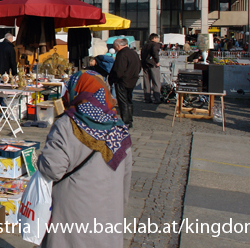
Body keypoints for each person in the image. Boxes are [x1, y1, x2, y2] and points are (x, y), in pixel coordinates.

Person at [37, 90, 132, 248]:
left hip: (73, 215)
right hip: (108, 216)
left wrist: (39, 159)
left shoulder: (67, 124)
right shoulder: (119, 128)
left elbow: (52, 169)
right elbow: (126, 177)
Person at [108, 38, 141, 128]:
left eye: (115, 47)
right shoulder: (134, 53)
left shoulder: (122, 54)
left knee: (123, 102)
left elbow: (119, 70)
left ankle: (126, 121)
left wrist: (114, 79)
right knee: (129, 100)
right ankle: (129, 120)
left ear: (118, 45)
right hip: (132, 80)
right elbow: (139, 67)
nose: (115, 50)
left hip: (122, 81)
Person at [141, 33, 162, 104]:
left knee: (146, 81)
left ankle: (147, 98)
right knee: (156, 81)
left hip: (145, 64)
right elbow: (155, 52)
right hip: (152, 64)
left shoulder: (145, 45)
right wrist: (157, 61)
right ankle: (157, 98)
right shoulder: (155, 45)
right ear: (155, 38)